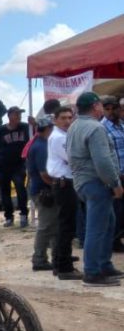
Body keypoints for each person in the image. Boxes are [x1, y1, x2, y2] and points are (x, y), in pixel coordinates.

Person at [66, 92, 124, 287]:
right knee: (97, 228)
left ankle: (104, 265)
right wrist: (115, 184)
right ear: (95, 106)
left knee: (108, 223)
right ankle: (92, 272)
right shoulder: (95, 128)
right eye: (100, 105)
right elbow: (103, 161)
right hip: (96, 182)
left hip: (83, 182)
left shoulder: (75, 126)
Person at [47, 106, 81, 280]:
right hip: (64, 184)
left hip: (66, 183)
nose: (67, 121)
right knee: (66, 226)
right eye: (63, 118)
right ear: (55, 120)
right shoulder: (59, 137)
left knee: (65, 225)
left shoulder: (64, 135)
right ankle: (64, 267)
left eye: (69, 117)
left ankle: (59, 263)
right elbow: (73, 158)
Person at [0, 107, 31, 227]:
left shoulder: (25, 127)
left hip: (18, 165)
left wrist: (33, 124)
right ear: (9, 116)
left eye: (20, 114)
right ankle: (9, 217)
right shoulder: (0, 130)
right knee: (5, 191)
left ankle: (24, 215)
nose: (19, 116)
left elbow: (34, 135)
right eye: (16, 114)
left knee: (20, 189)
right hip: (2, 166)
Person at [27, 117, 57, 271]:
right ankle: (39, 259)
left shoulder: (39, 144)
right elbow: (44, 173)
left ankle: (55, 255)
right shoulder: (41, 147)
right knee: (45, 226)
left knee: (52, 224)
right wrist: (56, 185)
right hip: (43, 191)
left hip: (41, 189)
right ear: (48, 129)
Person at [99, 96, 124, 253]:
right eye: (107, 109)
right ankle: (114, 241)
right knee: (116, 210)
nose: (111, 112)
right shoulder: (102, 128)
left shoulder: (121, 126)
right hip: (116, 174)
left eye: (113, 108)